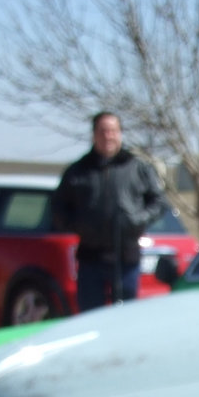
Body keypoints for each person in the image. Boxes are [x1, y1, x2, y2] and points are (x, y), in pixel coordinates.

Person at [52, 111, 165, 310]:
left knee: (125, 319)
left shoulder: (137, 167)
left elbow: (158, 202)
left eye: (113, 131)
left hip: (126, 258)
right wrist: (79, 225)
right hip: (91, 259)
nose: (108, 136)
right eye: (103, 131)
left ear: (120, 134)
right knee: (91, 317)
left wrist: (138, 220)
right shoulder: (78, 170)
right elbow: (59, 208)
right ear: (94, 134)